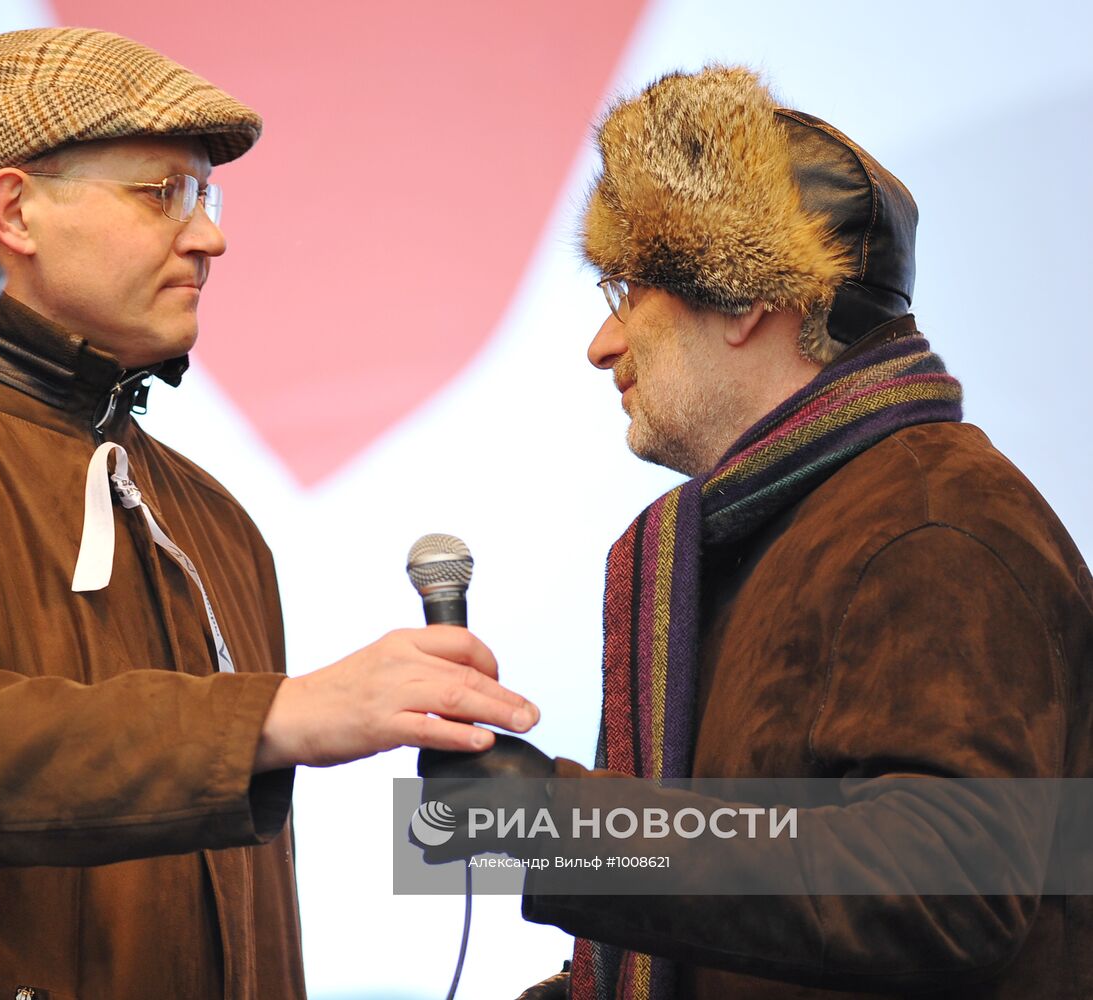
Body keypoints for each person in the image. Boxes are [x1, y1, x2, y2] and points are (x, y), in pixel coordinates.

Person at [0, 27, 539, 999]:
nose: (210, 235)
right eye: (161, 191)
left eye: (206, 195)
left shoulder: (217, 524)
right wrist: (275, 716)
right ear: (15, 211)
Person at [418, 66, 1091, 998]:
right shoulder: (796, 525)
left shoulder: (931, 522)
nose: (600, 343)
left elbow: (943, 886)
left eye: (625, 290)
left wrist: (557, 822)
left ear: (740, 299)